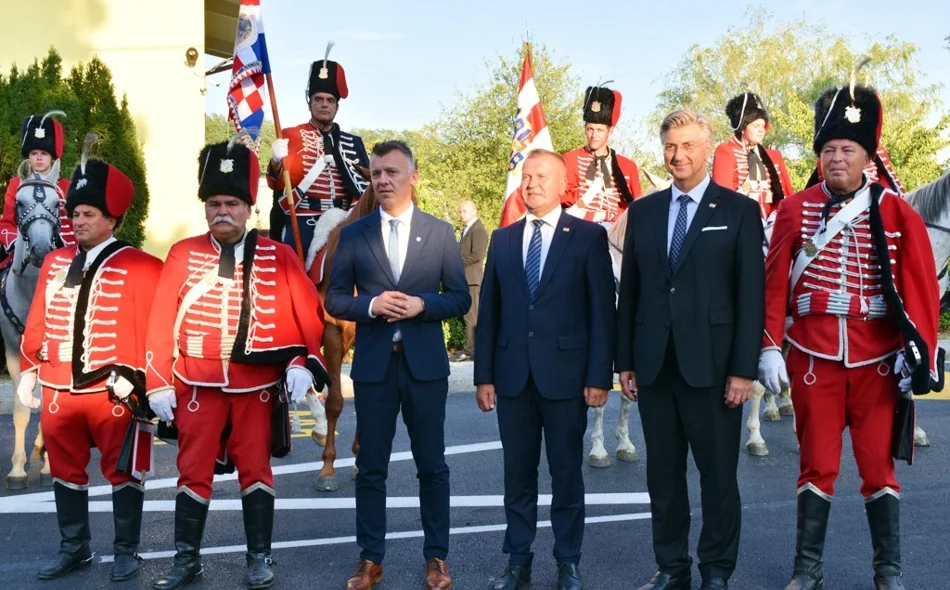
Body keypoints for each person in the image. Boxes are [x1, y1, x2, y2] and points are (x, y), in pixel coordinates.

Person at [758, 84, 940, 590]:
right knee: (815, 467)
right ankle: (807, 571)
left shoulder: (896, 211)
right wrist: (770, 345)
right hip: (813, 358)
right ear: (819, 156)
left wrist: (918, 351)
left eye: (848, 150)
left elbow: (921, 287)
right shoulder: (794, 210)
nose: (837, 158)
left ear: (866, 156)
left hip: (878, 361)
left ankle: (889, 572)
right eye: (829, 150)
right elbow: (774, 285)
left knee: (878, 470)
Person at [146, 139, 330, 590]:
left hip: (256, 385)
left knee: (256, 470)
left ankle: (259, 559)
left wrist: (304, 362)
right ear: (205, 207)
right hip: (196, 381)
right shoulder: (183, 253)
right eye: (214, 203)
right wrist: (156, 382)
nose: (221, 211)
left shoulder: (279, 255)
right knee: (192, 470)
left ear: (249, 208)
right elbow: (160, 319)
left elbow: (309, 317)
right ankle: (187, 560)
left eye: (231, 203)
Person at [615, 110, 765, 590]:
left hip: (716, 369)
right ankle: (673, 569)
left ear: (707, 149)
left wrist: (744, 370)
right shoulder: (644, 211)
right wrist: (626, 362)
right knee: (663, 479)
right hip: (656, 367)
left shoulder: (739, 211)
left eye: (687, 146)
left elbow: (750, 297)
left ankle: (717, 571)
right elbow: (631, 294)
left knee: (718, 479)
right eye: (669, 147)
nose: (677, 155)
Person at [325, 140, 470, 590]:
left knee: (433, 466)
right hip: (374, 369)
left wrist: (420, 306)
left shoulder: (442, 232)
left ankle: (436, 559)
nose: (383, 180)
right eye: (376, 174)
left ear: (413, 176)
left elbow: (460, 298)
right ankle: (370, 560)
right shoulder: (354, 234)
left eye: (391, 172)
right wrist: (371, 306)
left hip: (425, 367)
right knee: (371, 468)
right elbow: (332, 299)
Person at [16, 153, 163, 582]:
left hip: (113, 389)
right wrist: (28, 368)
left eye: (88, 213)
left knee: (123, 472)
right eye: (75, 213)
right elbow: (39, 317)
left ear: (111, 218)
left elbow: (156, 331)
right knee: (65, 471)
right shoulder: (56, 262)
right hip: (59, 386)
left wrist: (143, 381)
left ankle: (125, 551)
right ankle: (74, 548)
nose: (78, 221)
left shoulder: (141, 265)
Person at [474, 149, 616, 590]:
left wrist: (598, 376)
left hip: (568, 380)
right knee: (517, 476)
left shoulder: (588, 236)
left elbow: (601, 313)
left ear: (562, 186)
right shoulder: (503, 238)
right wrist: (484, 376)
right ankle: (518, 561)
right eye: (527, 176)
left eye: (541, 176)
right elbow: (489, 313)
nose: (531, 183)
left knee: (567, 475)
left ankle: (568, 562)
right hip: (513, 379)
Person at [267, 42, 369, 261]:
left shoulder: (354, 142)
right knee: (291, 269)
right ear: (310, 102)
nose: (324, 104)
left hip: (343, 221)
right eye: (319, 99)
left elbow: (365, 187)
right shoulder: (291, 135)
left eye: (330, 100)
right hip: (305, 219)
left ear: (337, 106)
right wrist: (276, 160)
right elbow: (276, 183)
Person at [561, 84, 642, 224]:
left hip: (614, 230)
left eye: (599, 130)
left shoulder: (628, 166)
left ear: (610, 132)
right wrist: (579, 195)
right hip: (578, 225)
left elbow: (637, 206)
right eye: (590, 129)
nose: (594, 135)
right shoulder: (569, 159)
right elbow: (558, 196)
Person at [0, 111, 74, 256]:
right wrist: (17, 244)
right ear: (28, 156)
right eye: (34, 153)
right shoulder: (16, 184)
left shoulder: (67, 187)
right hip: (22, 251)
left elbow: (77, 225)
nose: (39, 158)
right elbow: (7, 223)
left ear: (52, 157)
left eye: (44, 153)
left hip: (64, 254)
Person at [712, 92, 794, 219]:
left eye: (763, 126)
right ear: (743, 129)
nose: (761, 130)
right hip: (739, 220)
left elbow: (786, 195)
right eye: (756, 126)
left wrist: (774, 218)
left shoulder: (774, 156)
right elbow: (723, 198)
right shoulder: (726, 151)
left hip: (773, 222)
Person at [453, 199, 487, 362]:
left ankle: (470, 351)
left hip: (472, 279)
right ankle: (474, 347)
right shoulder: (466, 230)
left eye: (464, 211)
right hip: (463, 279)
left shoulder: (478, 230)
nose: (461, 214)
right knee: (462, 313)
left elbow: (477, 255)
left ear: (474, 211)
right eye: (460, 211)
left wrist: (456, 261)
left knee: (470, 316)